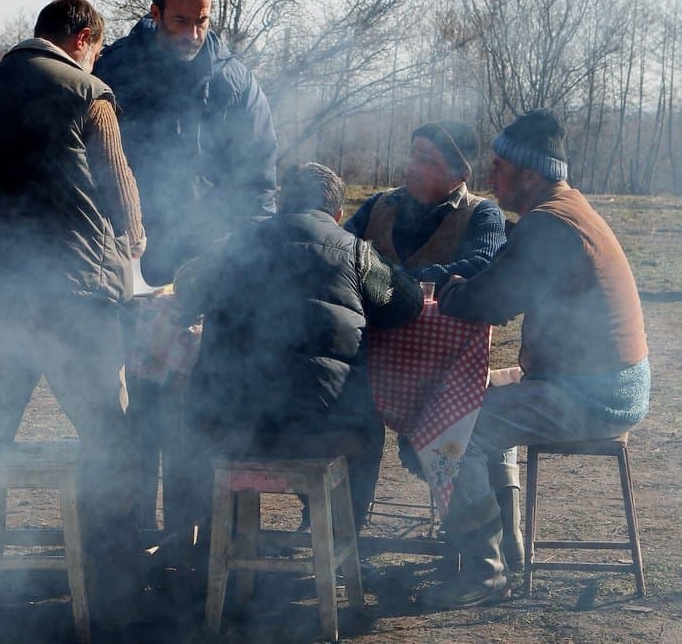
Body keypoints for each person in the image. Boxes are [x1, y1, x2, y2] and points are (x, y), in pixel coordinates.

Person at [0, 0, 146, 629]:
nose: (98, 59)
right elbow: (120, 187)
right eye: (98, 49)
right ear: (82, 38)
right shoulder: (87, 93)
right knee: (109, 436)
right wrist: (133, 244)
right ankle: (113, 587)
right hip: (74, 300)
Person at [421, 109, 651, 608]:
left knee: (450, 429)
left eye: (499, 167)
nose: (490, 177)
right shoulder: (563, 211)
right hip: (601, 381)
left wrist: (450, 290)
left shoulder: (550, 225)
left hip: (595, 393)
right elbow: (507, 277)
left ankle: (484, 571)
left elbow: (494, 300)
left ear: (530, 175)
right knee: (467, 402)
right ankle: (505, 548)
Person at [93, 0, 279, 532]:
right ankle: (127, 536)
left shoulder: (235, 81)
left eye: (202, 21)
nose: (194, 34)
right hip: (129, 260)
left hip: (208, 266)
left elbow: (259, 181)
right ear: (155, 13)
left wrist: (242, 251)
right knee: (131, 402)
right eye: (181, 21)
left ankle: (192, 538)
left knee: (198, 404)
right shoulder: (114, 70)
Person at [175, 162, 423, 538]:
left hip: (234, 430)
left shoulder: (233, 246)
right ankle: (342, 538)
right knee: (368, 434)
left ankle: (226, 542)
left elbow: (186, 287)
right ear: (338, 215)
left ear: (280, 205)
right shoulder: (356, 252)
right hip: (323, 433)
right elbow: (408, 303)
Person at [344, 120, 521, 568]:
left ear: (459, 173)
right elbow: (337, 248)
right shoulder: (380, 206)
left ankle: (499, 531)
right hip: (374, 357)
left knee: (465, 426)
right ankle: (342, 529)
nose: (413, 167)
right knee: (349, 411)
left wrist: (392, 283)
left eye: (428, 160)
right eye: (413, 154)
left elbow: (483, 265)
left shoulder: (482, 214)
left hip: (446, 368)